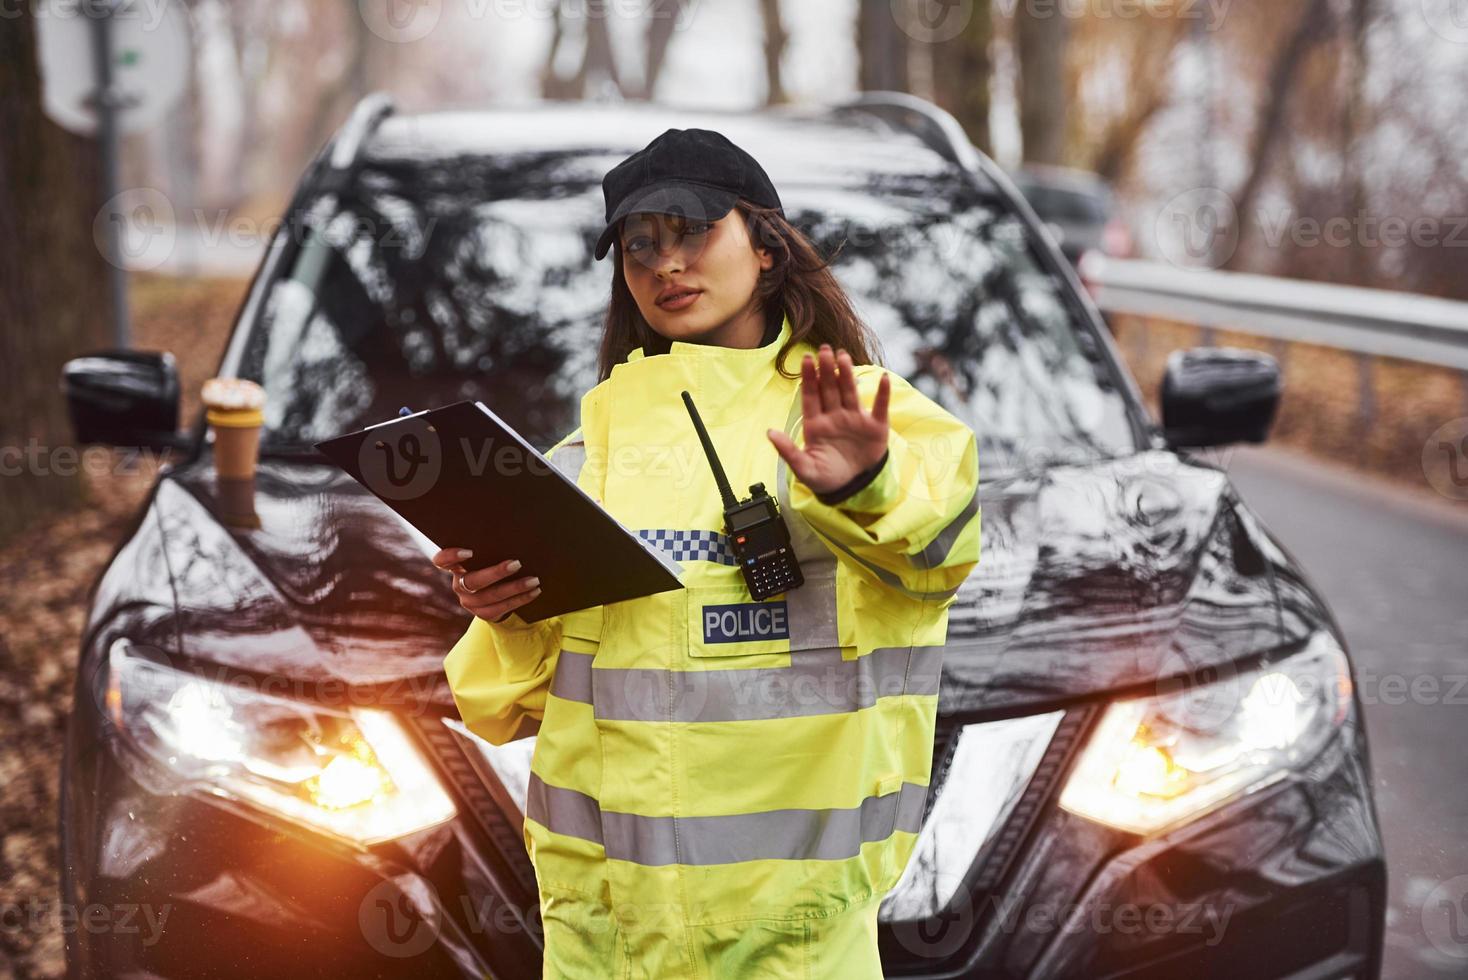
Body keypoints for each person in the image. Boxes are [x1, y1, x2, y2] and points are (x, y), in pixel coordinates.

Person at [433, 128, 981, 978]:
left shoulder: (857, 412)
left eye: (691, 232)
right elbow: (501, 706)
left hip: (794, 951)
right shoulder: (589, 451)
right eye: (639, 245)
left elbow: (938, 551)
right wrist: (502, 611)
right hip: (603, 947)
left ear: (766, 247)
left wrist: (861, 484)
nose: (664, 264)